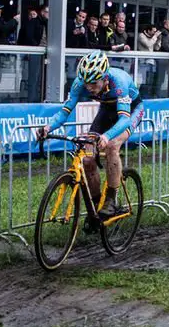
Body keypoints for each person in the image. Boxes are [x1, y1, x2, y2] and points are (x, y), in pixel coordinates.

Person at [36, 51, 145, 219]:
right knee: (87, 158)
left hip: (131, 112)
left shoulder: (119, 82)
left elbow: (123, 119)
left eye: (93, 83)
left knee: (112, 146)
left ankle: (111, 200)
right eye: (86, 82)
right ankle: (96, 207)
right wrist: (48, 127)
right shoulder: (80, 83)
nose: (89, 87)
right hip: (106, 111)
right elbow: (65, 112)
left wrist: (107, 136)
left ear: (105, 78)